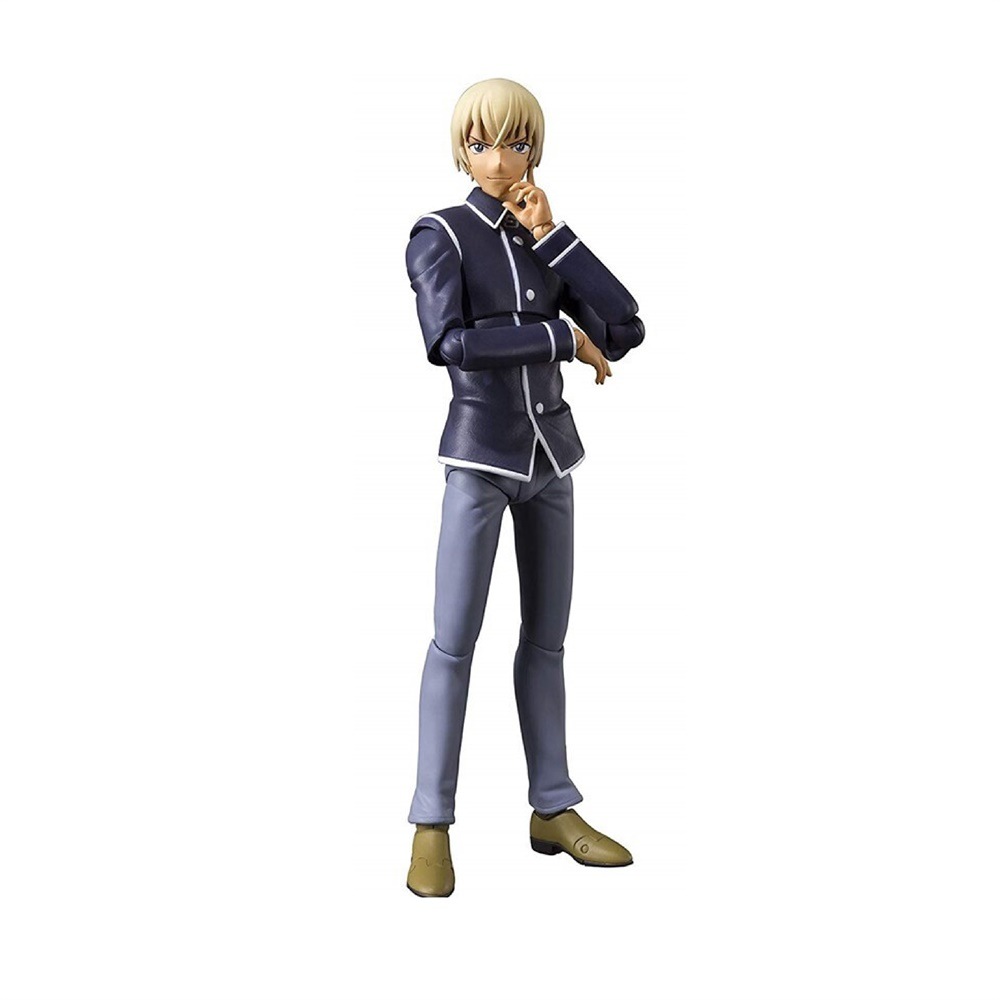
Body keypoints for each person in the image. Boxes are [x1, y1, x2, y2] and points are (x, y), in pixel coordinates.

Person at [405, 78, 645, 897]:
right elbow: (448, 343)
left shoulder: (537, 235)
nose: (500, 161)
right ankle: (430, 823)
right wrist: (558, 339)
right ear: (462, 150)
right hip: (480, 461)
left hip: (551, 462)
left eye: (515, 144)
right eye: (482, 144)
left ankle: (553, 806)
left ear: (534, 151)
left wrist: (555, 235)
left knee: (547, 642)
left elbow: (626, 326)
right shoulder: (440, 233)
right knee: (453, 641)